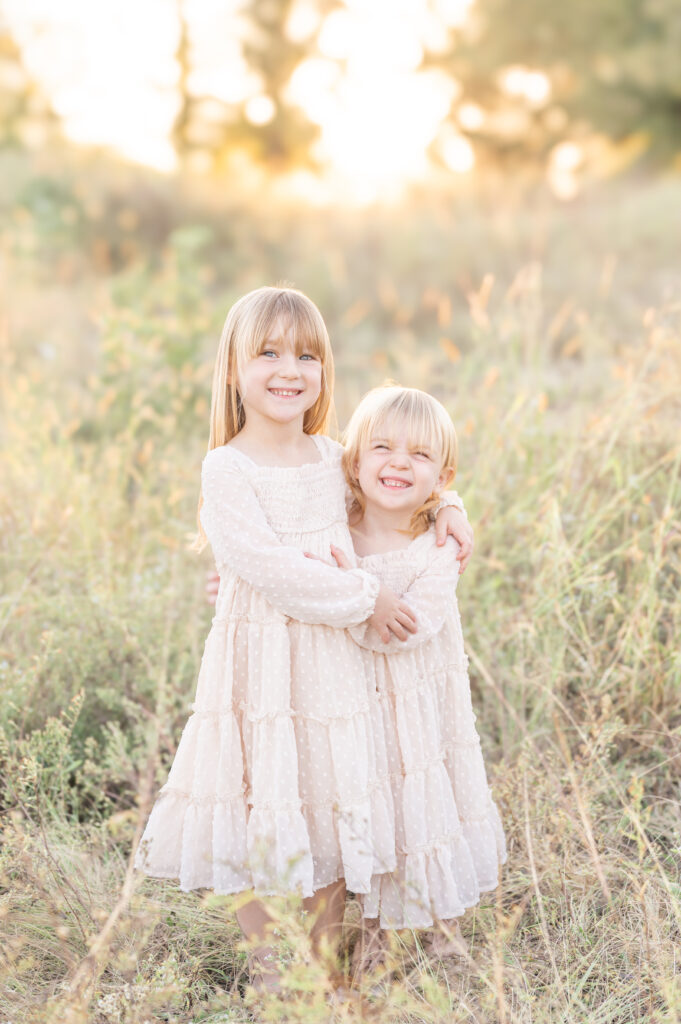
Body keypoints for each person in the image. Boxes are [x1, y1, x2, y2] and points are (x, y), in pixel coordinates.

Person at [134, 286, 474, 992]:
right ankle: (266, 968)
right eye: (268, 353)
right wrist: (367, 597)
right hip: (259, 669)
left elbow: (395, 479)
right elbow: (264, 564)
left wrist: (450, 506)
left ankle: (325, 969)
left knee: (324, 803)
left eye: (307, 355)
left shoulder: (331, 455)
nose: (289, 369)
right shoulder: (226, 467)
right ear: (233, 369)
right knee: (260, 802)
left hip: (328, 670)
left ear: (323, 370)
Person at [317, 384, 507, 970]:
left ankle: (405, 934)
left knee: (416, 812)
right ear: (354, 461)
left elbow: (401, 628)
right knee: (364, 806)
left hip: (417, 711)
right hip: (352, 703)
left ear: (442, 475)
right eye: (382, 448)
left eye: (420, 456)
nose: (398, 462)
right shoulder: (331, 523)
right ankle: (348, 928)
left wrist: (353, 589)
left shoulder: (438, 547)